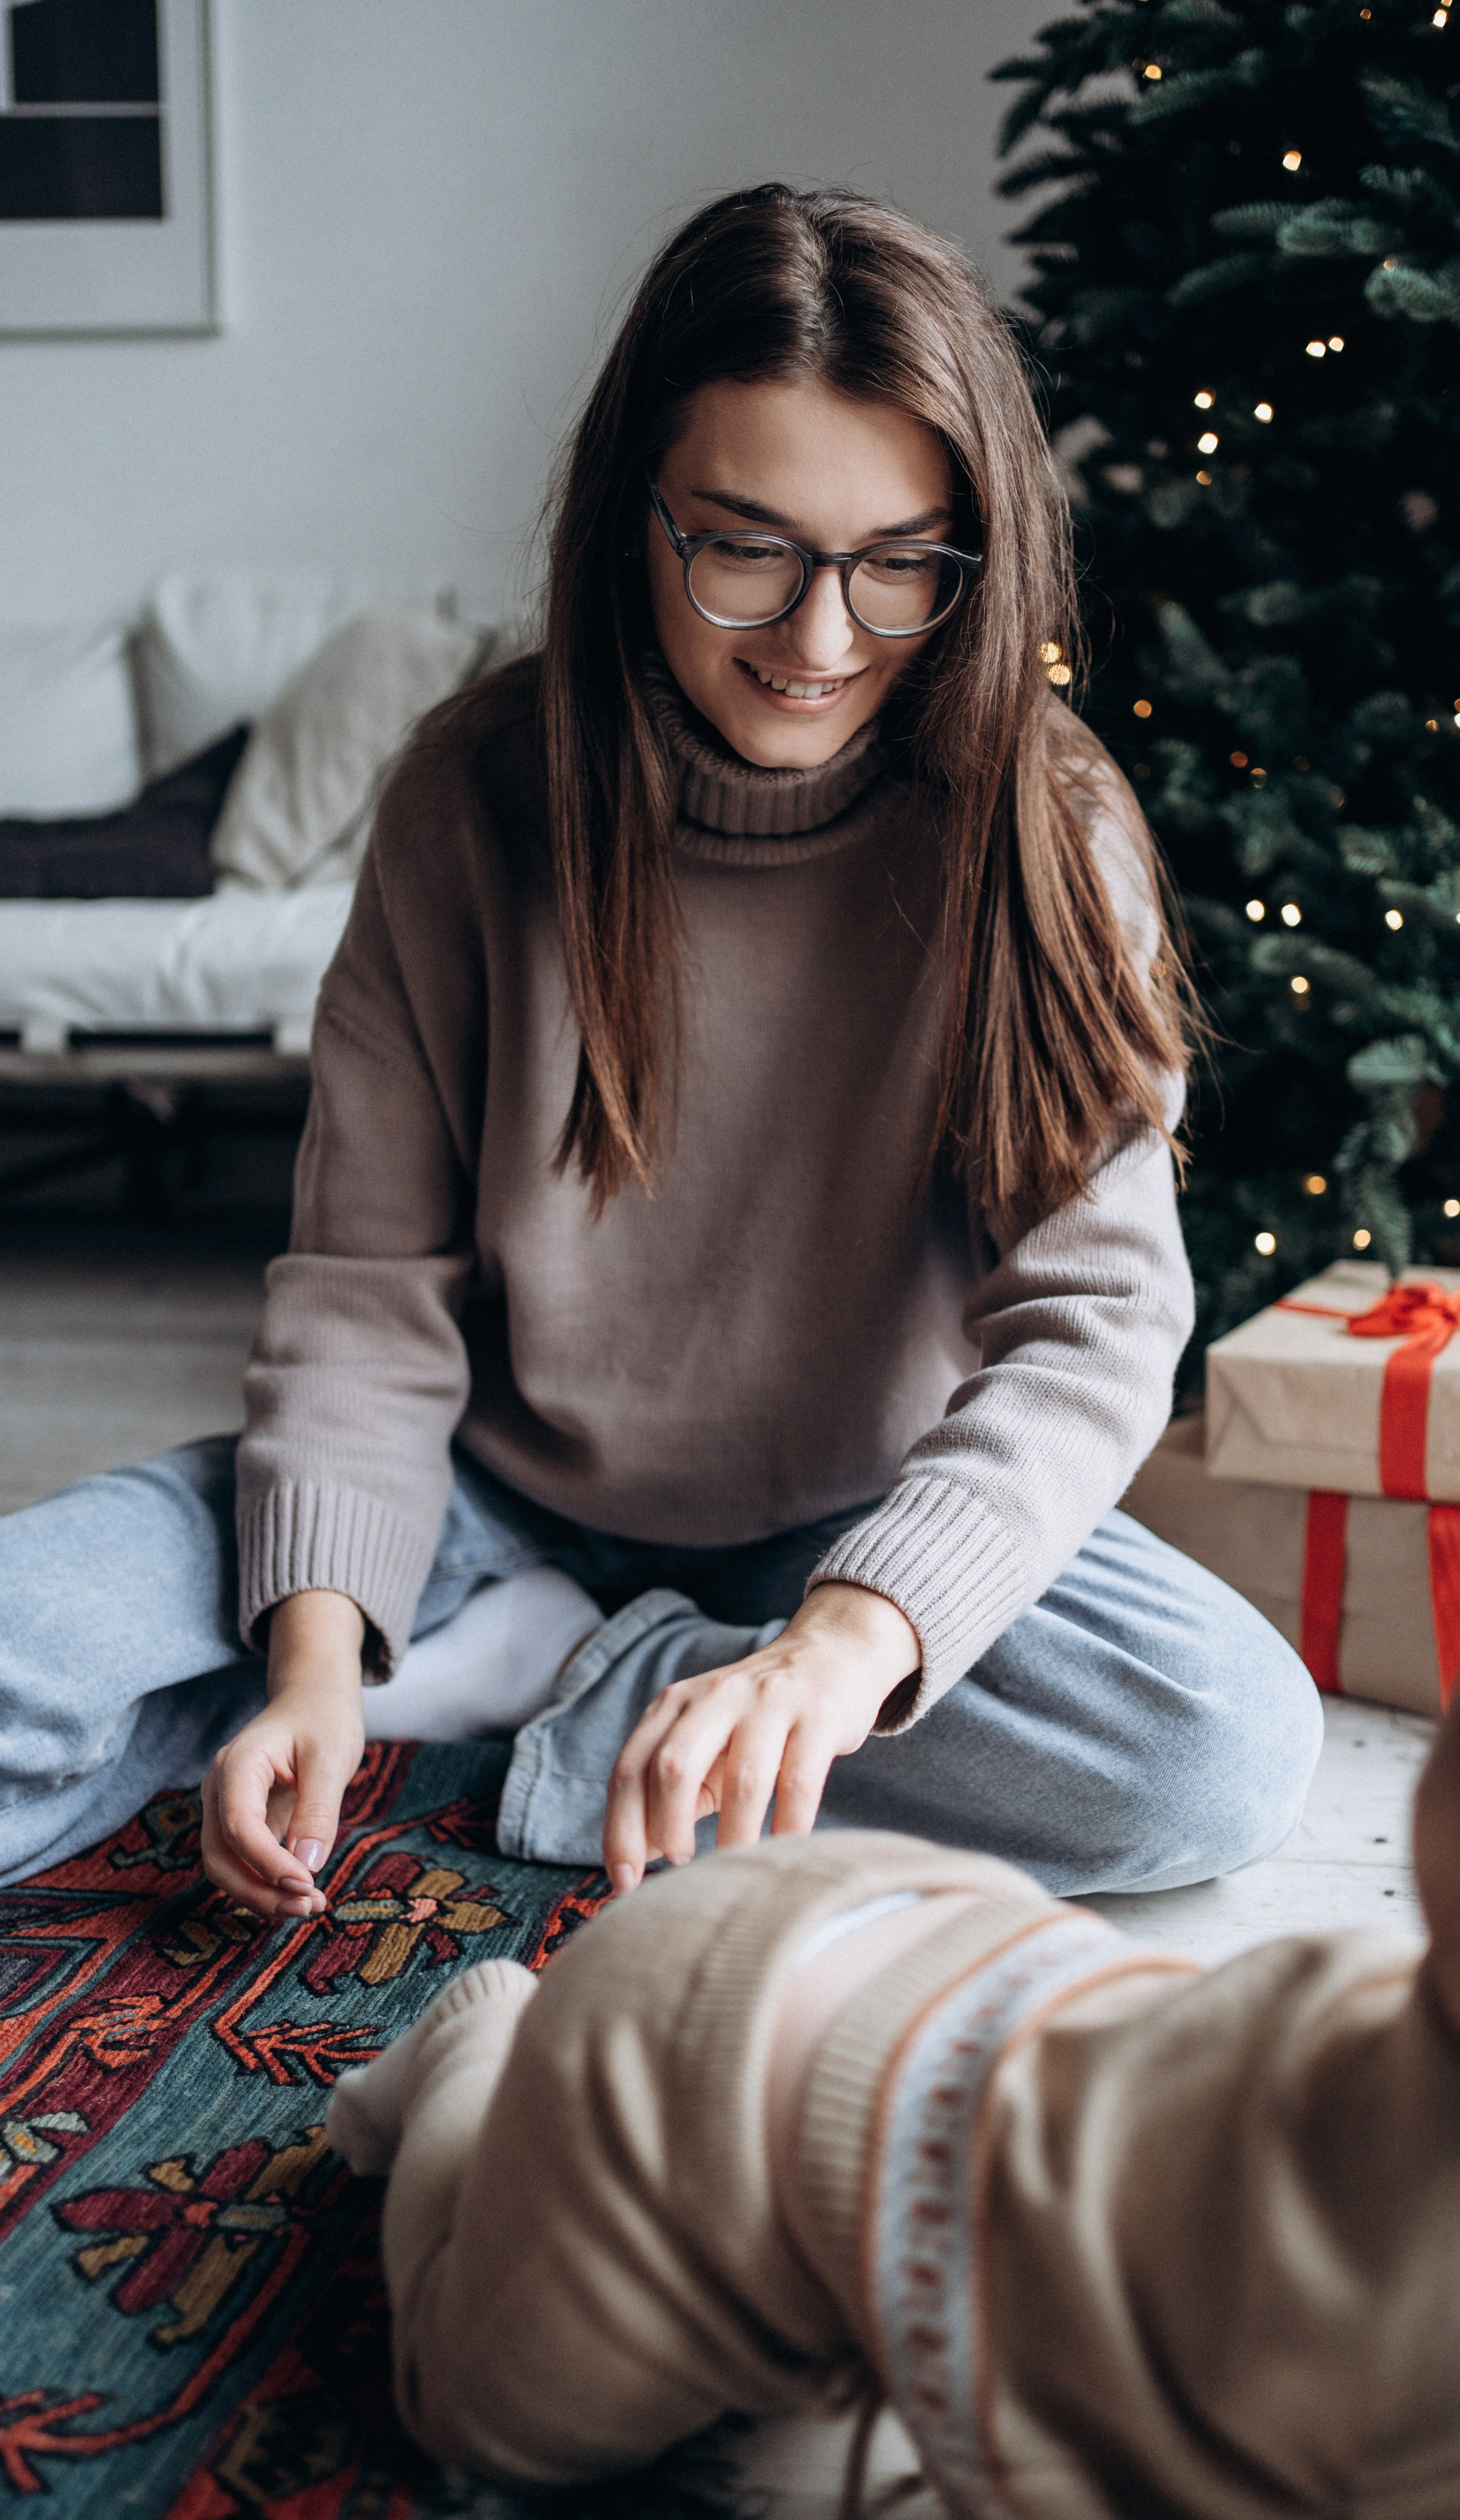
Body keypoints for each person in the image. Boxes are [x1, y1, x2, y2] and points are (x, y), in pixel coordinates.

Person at [0, 186, 1320, 1915]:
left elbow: (1100, 1317)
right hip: (478, 1489)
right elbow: (363, 1287)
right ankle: (455, 1665)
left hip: (841, 1529)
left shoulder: (1042, 825)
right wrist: (319, 1662)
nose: (820, 638)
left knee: (1211, 1748)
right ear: (638, 516)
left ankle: (576, 1678)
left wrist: (846, 1646)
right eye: (747, 545)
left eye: (900, 562)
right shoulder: (471, 800)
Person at [327, 1563, 1460, 2514]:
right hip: (684, 2108)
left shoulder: (1420, 1996)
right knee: (490, 2420)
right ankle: (479, 2052)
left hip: (926, 1935)